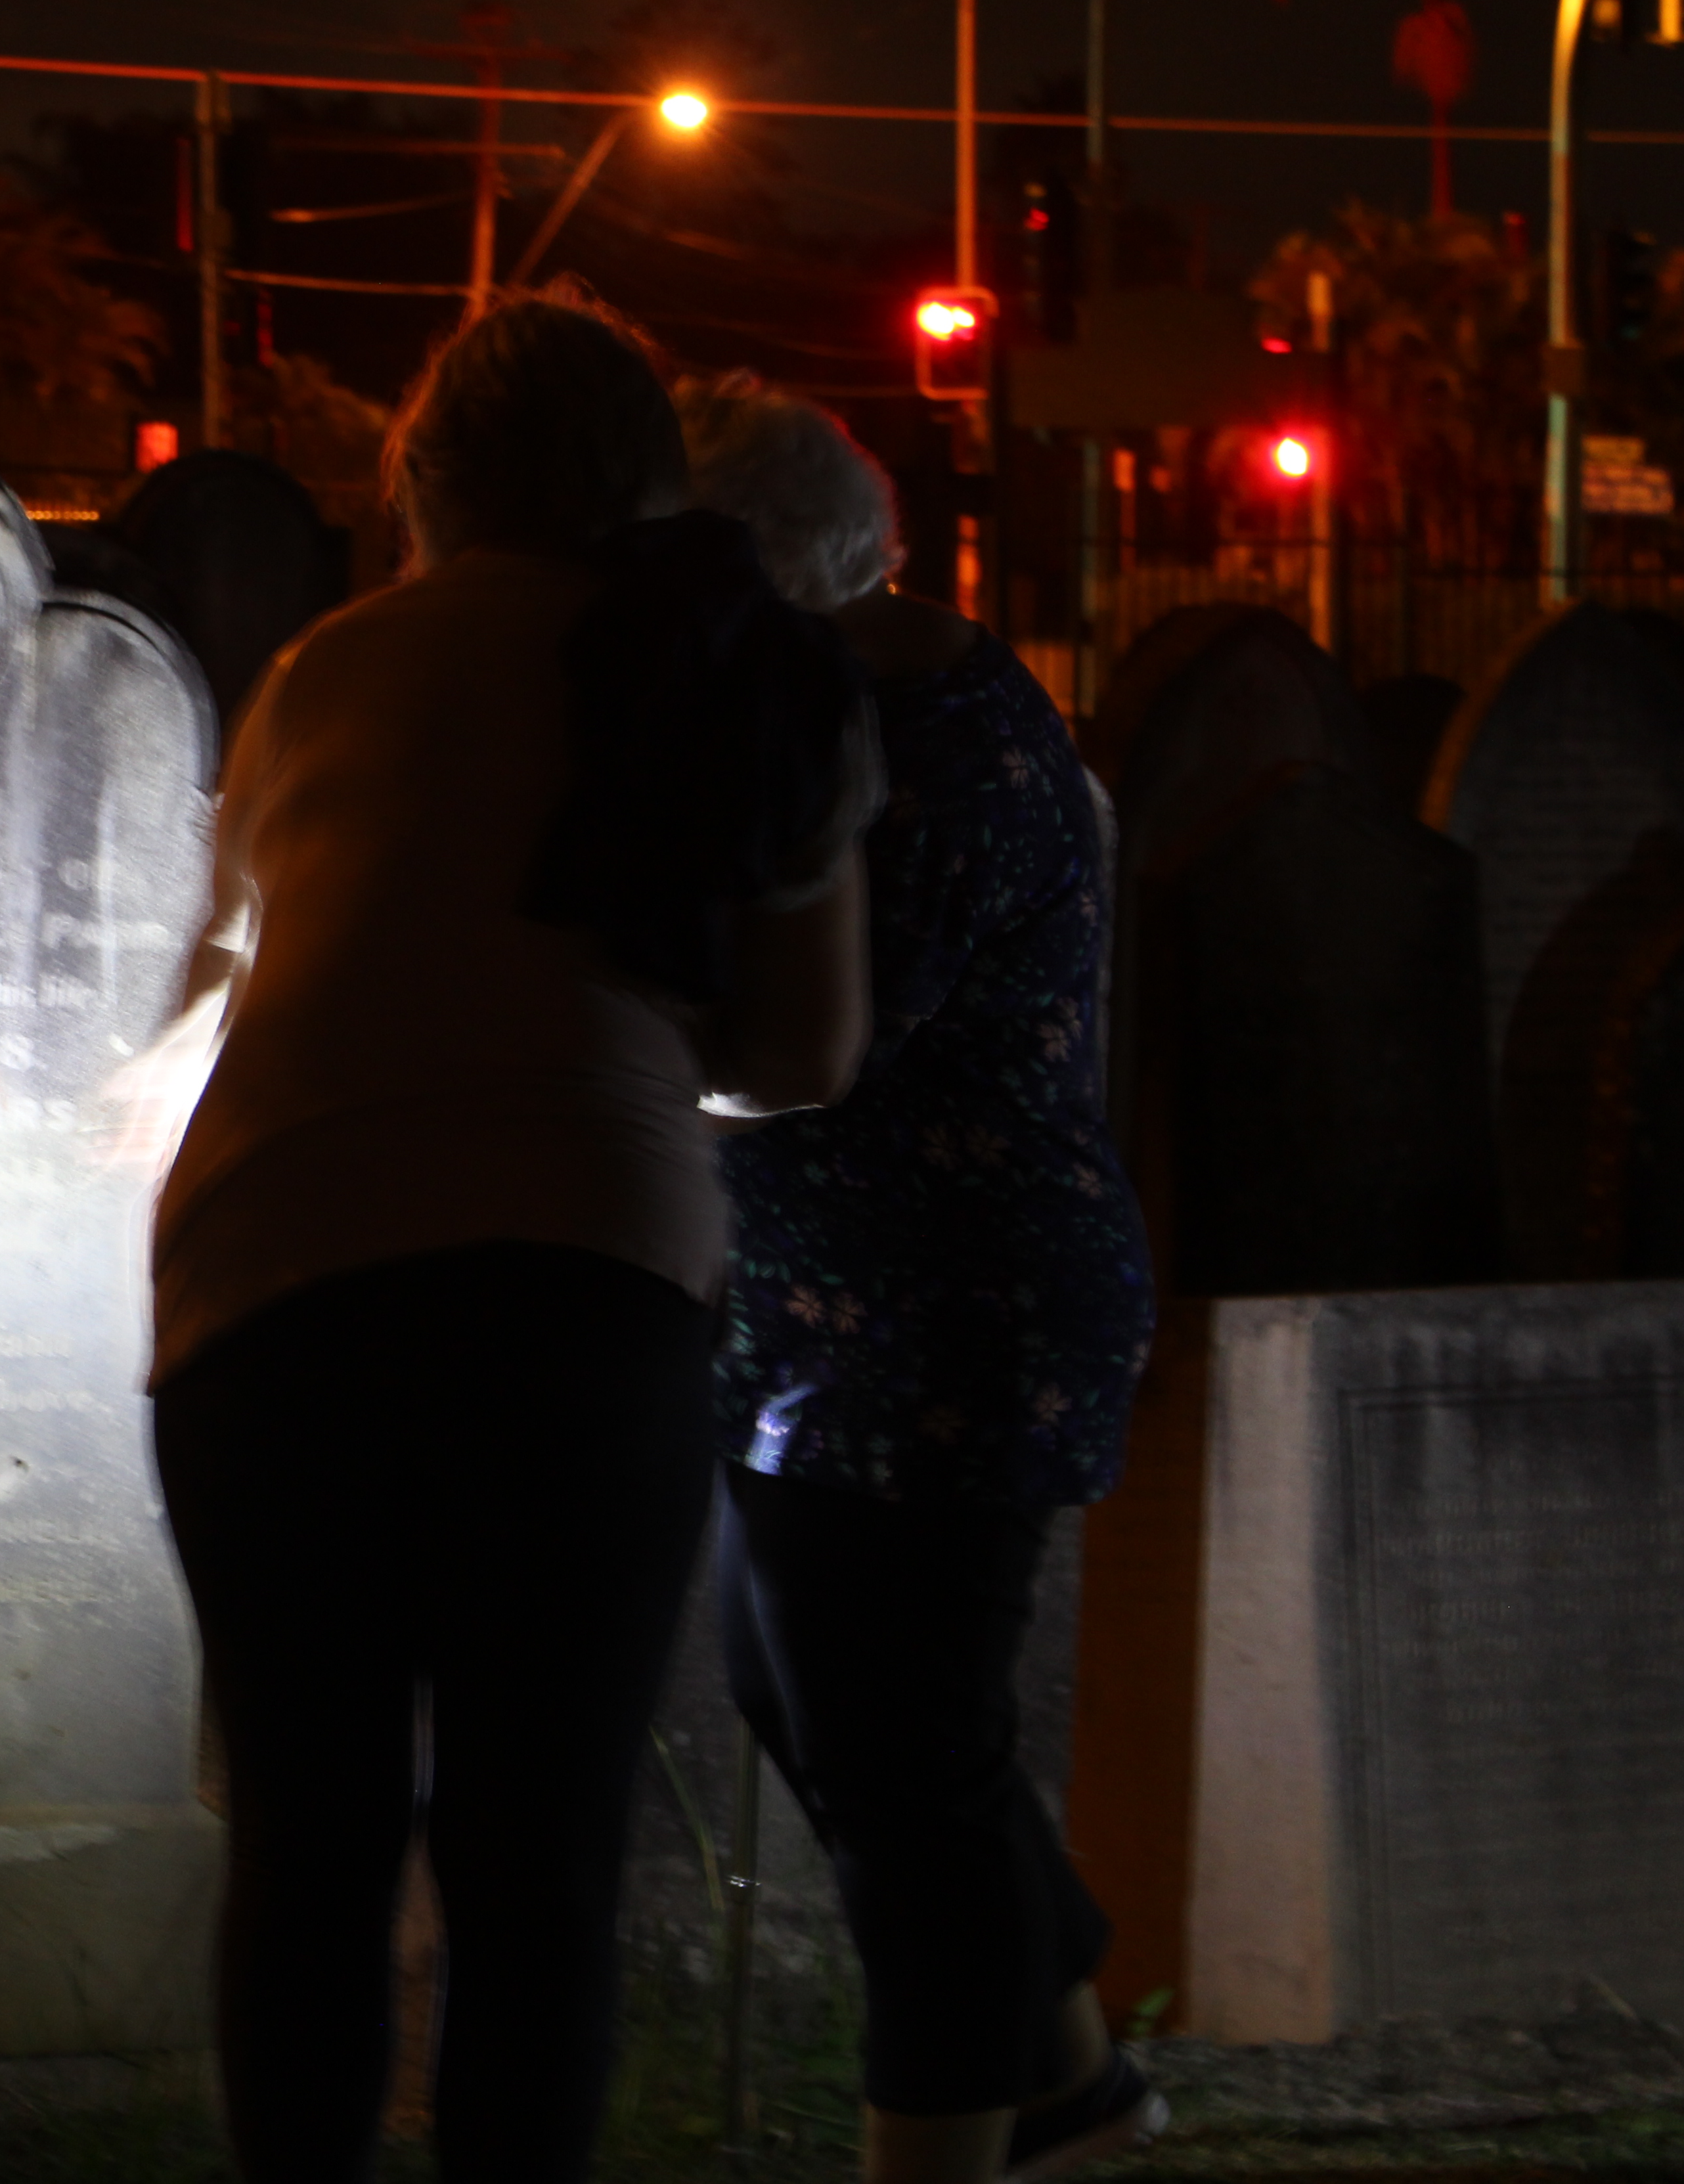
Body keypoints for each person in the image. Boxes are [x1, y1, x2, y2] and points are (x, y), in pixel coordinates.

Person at [144, 289, 877, 2184]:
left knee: (308, 1839)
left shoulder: (324, 669)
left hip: (270, 1287)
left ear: (420, 483)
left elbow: (230, 968)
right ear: (650, 476)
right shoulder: (750, 674)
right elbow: (805, 1052)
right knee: (536, 1859)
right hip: (580, 1284)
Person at [677, 373, 1163, 2184]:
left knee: (903, 1782)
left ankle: (960, 2147)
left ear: (760, 577)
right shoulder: (877, 698)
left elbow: (813, 1047)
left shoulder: (920, 745)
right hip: (840, 1308)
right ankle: (1082, 2097)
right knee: (832, 1715)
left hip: (950, 1312)